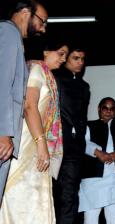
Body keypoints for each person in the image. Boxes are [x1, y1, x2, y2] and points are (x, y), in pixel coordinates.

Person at [0, 41, 68, 223]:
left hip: (36, 143)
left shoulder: (45, 73)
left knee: (36, 197)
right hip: (29, 143)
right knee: (22, 195)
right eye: (61, 53)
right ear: (45, 50)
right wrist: (41, 144)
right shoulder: (36, 70)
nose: (64, 59)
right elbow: (29, 107)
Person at [0, 0, 47, 205]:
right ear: (26, 12)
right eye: (42, 21)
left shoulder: (13, 38)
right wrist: (3, 132)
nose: (43, 29)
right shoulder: (8, 32)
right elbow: (2, 82)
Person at [78, 97, 115, 224]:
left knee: (114, 214)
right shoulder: (89, 125)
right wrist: (98, 153)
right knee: (91, 214)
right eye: (105, 108)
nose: (109, 111)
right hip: (93, 176)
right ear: (99, 109)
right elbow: (82, 142)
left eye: (112, 108)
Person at [53, 46, 90, 224]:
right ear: (66, 59)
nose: (80, 63)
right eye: (76, 58)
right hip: (53, 143)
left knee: (70, 194)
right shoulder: (54, 79)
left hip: (74, 148)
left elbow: (83, 117)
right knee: (51, 192)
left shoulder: (84, 87)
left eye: (82, 59)